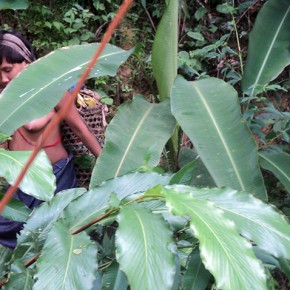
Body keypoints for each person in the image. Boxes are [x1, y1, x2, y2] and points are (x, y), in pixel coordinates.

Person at [0, 30, 102, 248]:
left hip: (56, 179)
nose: (3, 78)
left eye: (8, 70)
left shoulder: (53, 91)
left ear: (26, 62)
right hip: (20, 181)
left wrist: (108, 165)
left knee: (59, 237)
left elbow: (81, 130)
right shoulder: (4, 97)